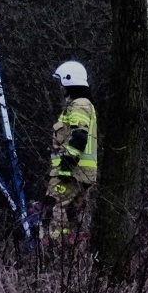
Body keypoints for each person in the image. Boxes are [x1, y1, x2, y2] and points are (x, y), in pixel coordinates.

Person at [45, 60, 98, 244]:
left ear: (68, 80)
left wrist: (67, 165)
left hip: (73, 172)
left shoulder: (79, 105)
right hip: (78, 172)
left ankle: (56, 248)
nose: (60, 87)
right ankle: (75, 251)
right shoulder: (77, 104)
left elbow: (79, 136)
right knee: (76, 215)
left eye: (60, 82)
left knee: (55, 207)